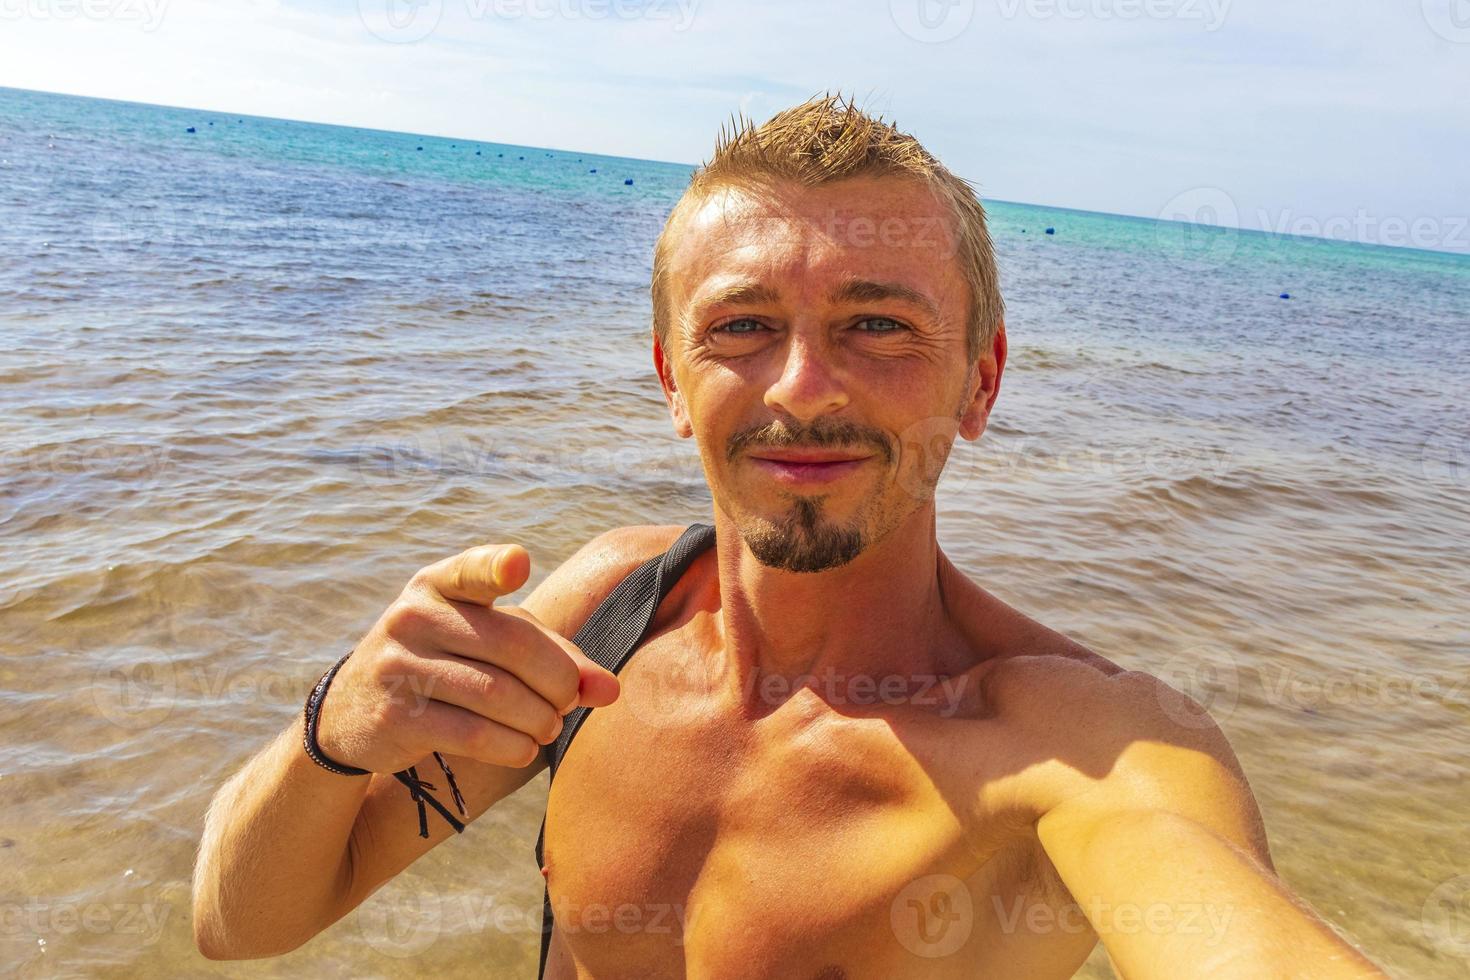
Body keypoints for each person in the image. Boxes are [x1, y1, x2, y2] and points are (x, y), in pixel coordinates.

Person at [192, 93, 1384, 978]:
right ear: (671, 378)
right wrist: (332, 732)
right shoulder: (608, 621)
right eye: (744, 325)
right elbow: (243, 924)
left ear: (981, 381)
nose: (803, 386)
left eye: (877, 324)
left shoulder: (1075, 749)